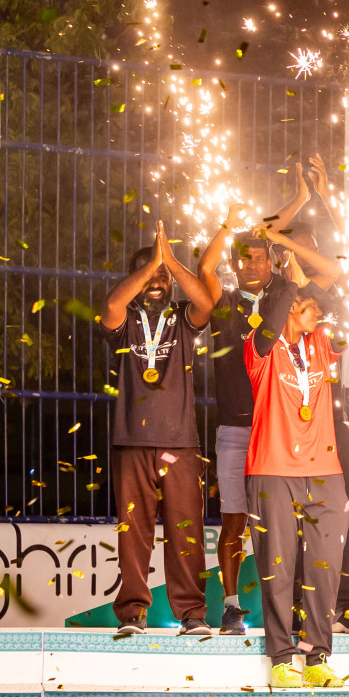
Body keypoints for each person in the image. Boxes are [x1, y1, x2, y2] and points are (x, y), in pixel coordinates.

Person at [198, 168, 333, 636]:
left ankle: (293, 607)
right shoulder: (224, 302)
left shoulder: (284, 297)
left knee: (284, 529)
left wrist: (297, 203)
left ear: (271, 263)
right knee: (234, 521)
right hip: (238, 429)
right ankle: (232, 606)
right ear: (236, 265)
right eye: (245, 259)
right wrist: (228, 226)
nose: (253, 264)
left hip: (283, 434)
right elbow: (205, 268)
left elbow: (317, 269)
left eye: (260, 258)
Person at [100, 222, 215, 635]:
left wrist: (169, 261)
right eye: (148, 274)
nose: (156, 281)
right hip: (131, 441)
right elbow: (111, 304)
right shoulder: (125, 319)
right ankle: (132, 613)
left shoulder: (182, 317)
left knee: (187, 531)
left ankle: (192, 614)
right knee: (133, 533)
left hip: (179, 444)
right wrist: (151, 264)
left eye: (162, 277)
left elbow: (206, 302)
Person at [244, 259, 348, 687]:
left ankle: (317, 655)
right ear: (288, 306)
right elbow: (271, 326)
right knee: (279, 568)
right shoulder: (260, 347)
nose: (318, 311)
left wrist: (309, 288)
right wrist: (290, 284)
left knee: (324, 568)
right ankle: (282, 658)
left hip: (325, 472)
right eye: (308, 304)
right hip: (273, 469)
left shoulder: (321, 342)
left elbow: (343, 315)